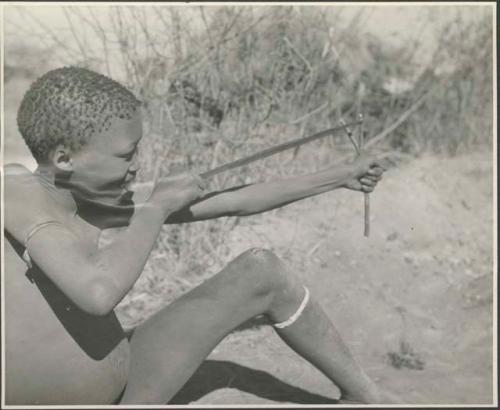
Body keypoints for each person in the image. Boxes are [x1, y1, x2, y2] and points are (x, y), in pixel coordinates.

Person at [4, 66, 394, 405]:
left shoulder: (85, 197)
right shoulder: (14, 191)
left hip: (129, 384)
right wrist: (156, 207)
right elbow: (96, 293)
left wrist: (341, 176)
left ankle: (367, 397)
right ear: (65, 159)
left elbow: (234, 202)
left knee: (263, 271)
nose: (137, 167)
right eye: (126, 156)